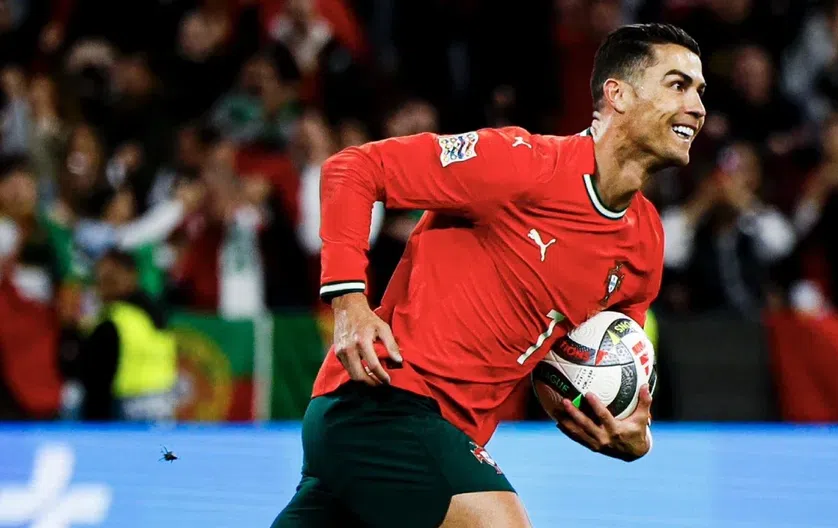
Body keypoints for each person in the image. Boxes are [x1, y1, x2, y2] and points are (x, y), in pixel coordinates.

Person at [272, 23, 706, 528]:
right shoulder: (522, 165)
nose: (697, 107)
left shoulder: (644, 243)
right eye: (678, 85)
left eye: (700, 91)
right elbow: (352, 169)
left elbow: (595, 360)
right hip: (379, 404)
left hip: (433, 438)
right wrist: (349, 301)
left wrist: (630, 429)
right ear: (619, 95)